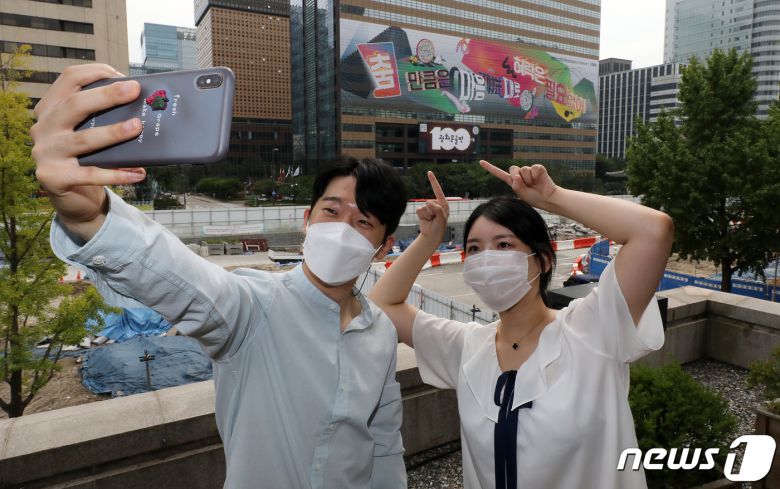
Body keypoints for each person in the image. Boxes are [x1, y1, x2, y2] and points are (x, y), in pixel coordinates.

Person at [31, 64, 408, 489]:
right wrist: (89, 213)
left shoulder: (379, 333)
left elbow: (384, 439)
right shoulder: (252, 307)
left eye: (363, 222)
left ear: (384, 245)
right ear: (307, 219)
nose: (341, 229)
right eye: (332, 211)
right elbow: (178, 277)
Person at [369, 161, 674, 489]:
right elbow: (382, 305)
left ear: (541, 261)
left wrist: (552, 196)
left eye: (503, 245)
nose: (487, 259)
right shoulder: (466, 347)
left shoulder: (592, 330)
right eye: (474, 249)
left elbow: (653, 231)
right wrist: (429, 240)